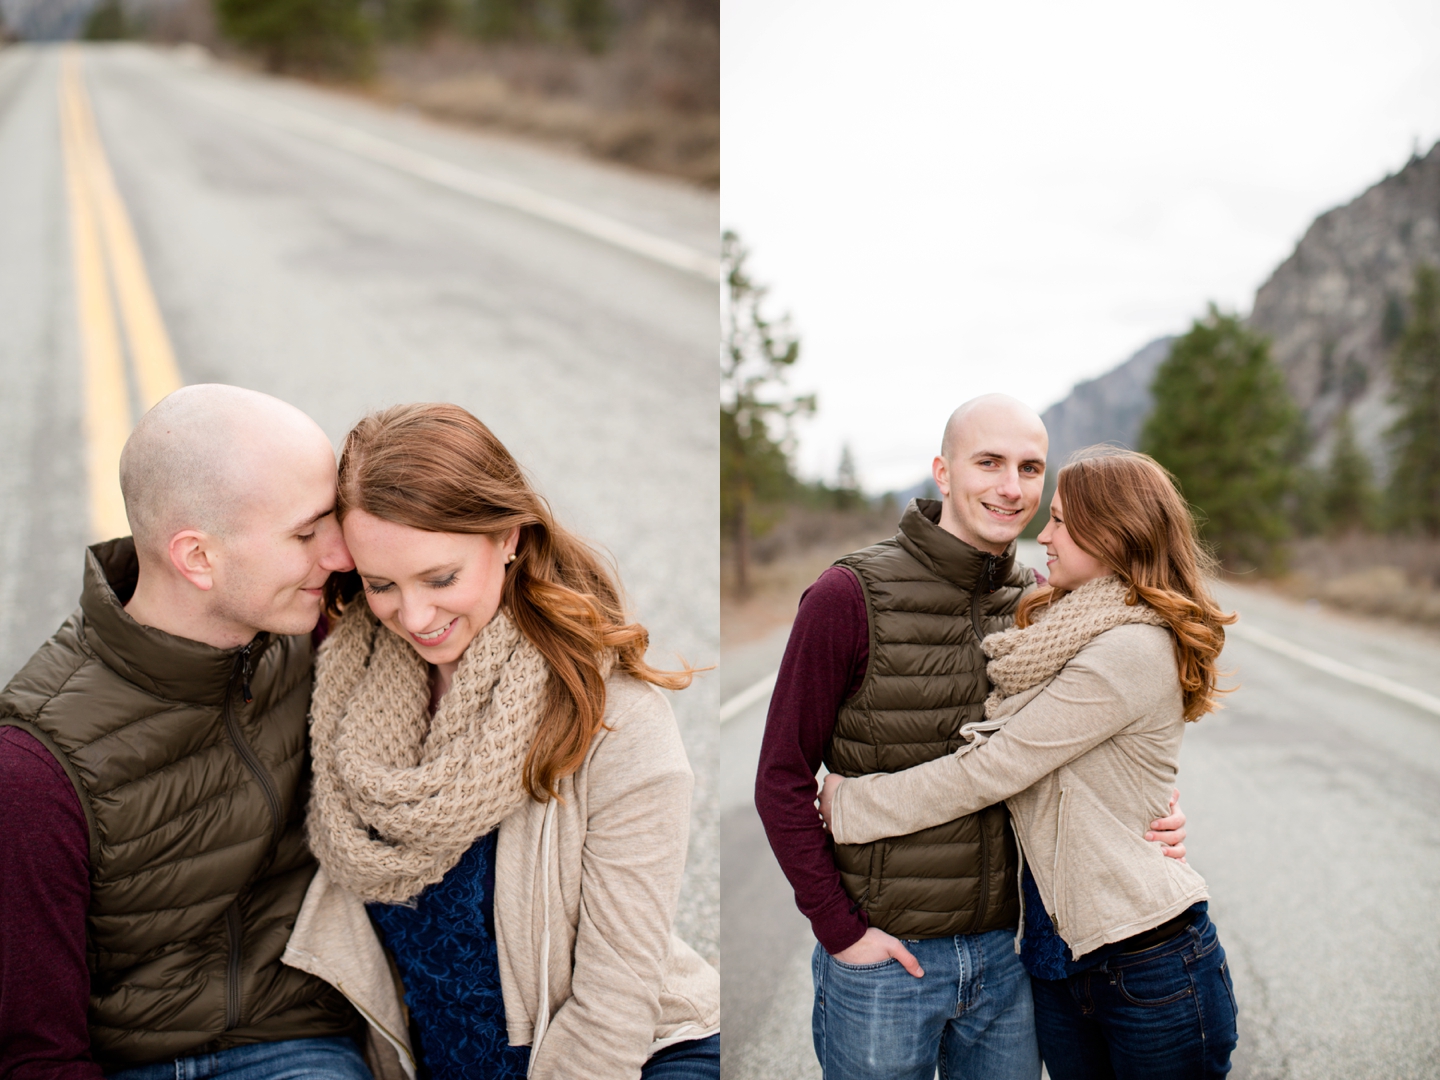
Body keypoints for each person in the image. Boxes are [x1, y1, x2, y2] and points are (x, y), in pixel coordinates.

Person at [753, 395, 1188, 1080]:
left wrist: (1155, 811)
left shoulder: (1043, 605)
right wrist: (841, 931)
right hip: (885, 963)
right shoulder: (848, 595)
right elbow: (779, 778)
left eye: (1029, 467)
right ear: (943, 472)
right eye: (988, 463)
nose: (1011, 488)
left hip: (1006, 961)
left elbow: (1097, 734)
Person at [285, 403, 720, 1080]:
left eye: (441, 578)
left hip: (633, 1056)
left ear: (509, 537)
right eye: (382, 585)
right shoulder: (342, 692)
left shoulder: (614, 720)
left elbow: (614, 1012)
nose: (416, 616)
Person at [0, 385, 370, 1080]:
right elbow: (37, 1054)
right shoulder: (33, 768)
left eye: (336, 520)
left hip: (293, 1043)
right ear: (197, 557)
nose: (341, 555)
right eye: (305, 533)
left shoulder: (326, 641)